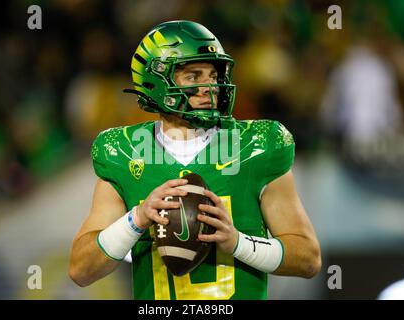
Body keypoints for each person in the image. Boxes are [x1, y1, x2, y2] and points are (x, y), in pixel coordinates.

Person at [69, 20, 321, 300]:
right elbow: (81, 270)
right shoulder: (125, 152)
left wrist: (238, 243)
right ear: (156, 81)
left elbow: (308, 259)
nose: (209, 87)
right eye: (193, 76)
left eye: (213, 75)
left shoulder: (256, 147)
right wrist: (137, 219)